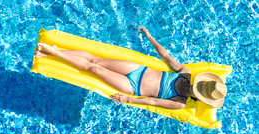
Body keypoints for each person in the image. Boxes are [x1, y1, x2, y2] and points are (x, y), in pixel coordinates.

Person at [34, 27, 227, 110]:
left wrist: (128, 99)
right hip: (139, 70)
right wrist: (150, 37)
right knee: (97, 60)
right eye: (200, 86)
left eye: (200, 91)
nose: (196, 87)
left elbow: (153, 103)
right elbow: (166, 56)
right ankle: (52, 52)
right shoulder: (185, 73)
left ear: (199, 96)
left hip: (132, 86)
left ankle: (54, 53)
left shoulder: (180, 102)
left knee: (94, 70)